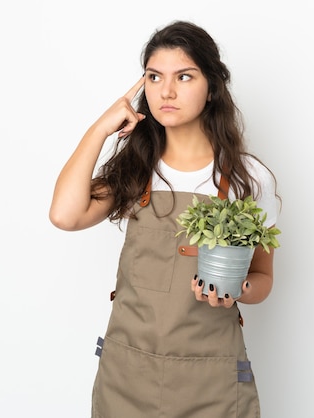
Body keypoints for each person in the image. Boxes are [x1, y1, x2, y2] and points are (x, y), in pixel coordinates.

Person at [49, 20, 279, 418]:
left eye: (184, 76)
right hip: (127, 377)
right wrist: (100, 129)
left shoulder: (247, 178)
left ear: (211, 88)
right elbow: (65, 216)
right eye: (154, 77)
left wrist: (236, 287)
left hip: (211, 383)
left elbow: (263, 278)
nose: (166, 91)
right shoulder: (135, 168)